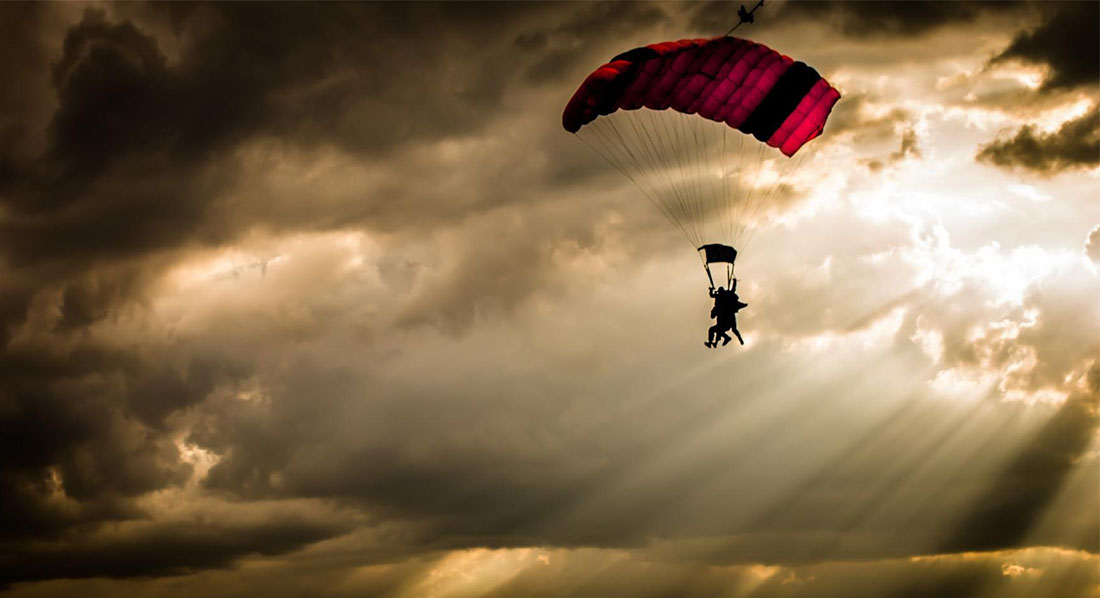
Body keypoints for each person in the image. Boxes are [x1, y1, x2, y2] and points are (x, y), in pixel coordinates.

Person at [705, 279, 747, 348]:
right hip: (723, 321)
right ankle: (712, 342)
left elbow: (733, 289)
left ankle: (727, 339)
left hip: (727, 321)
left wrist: (734, 282)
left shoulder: (726, 297)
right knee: (714, 330)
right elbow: (712, 295)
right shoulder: (719, 299)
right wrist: (711, 290)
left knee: (727, 330)